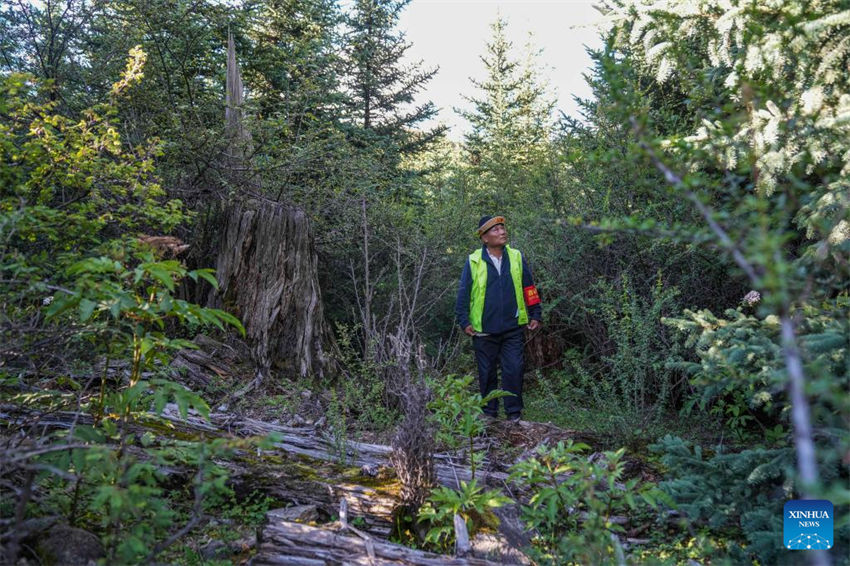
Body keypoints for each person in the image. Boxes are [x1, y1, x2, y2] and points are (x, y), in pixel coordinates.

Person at [455, 215, 542, 421]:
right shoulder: (474, 260)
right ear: (484, 237)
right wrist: (463, 320)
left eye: (502, 228)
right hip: (483, 330)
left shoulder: (516, 257)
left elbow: (529, 287)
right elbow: (463, 293)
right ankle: (490, 415)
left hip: (512, 327)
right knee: (487, 374)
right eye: (495, 230)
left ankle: (514, 415)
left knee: (514, 370)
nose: (502, 232)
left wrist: (535, 312)